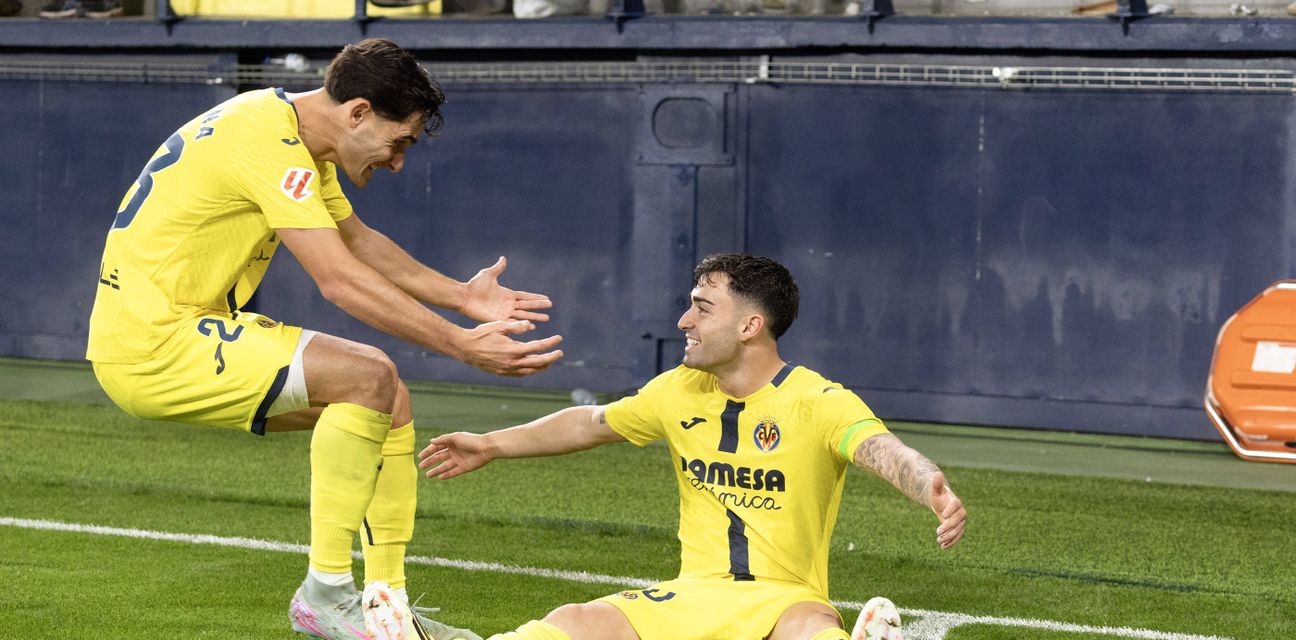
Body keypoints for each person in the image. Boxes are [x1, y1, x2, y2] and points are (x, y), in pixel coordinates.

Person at [86, 38, 563, 640]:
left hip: (176, 330)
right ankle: (326, 594)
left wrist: (462, 297)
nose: (397, 163)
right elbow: (338, 279)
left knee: (388, 398)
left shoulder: (286, 132)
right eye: (400, 142)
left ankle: (383, 610)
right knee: (366, 375)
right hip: (153, 342)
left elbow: (357, 241)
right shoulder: (269, 142)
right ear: (359, 112)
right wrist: (461, 344)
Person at [418, 253, 967, 640]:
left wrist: (930, 489)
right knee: (577, 620)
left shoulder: (817, 400)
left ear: (751, 325)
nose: (684, 321)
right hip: (693, 595)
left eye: (703, 308)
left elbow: (881, 449)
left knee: (810, 630)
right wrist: (491, 443)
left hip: (782, 600)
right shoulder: (678, 391)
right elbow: (591, 422)